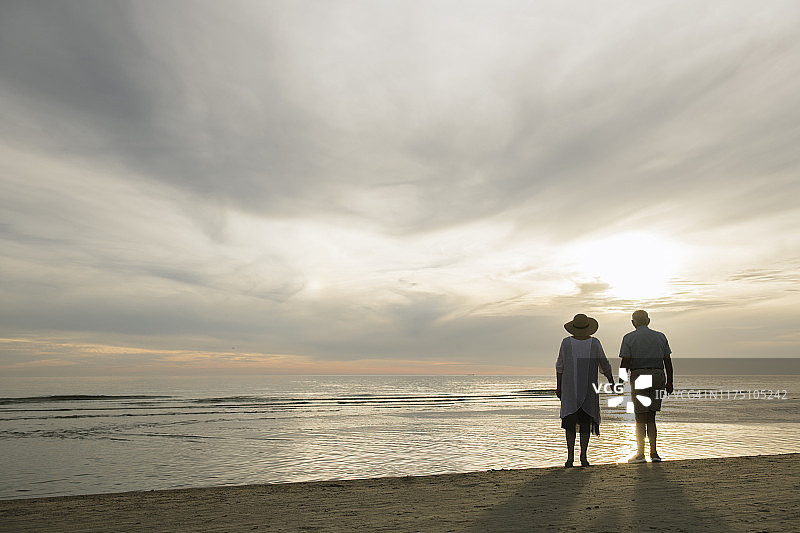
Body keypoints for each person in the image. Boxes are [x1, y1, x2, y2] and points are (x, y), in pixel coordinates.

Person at [556, 313, 614, 467]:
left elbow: (560, 366)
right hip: (589, 389)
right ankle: (583, 457)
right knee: (585, 423)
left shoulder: (566, 343)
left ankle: (570, 458)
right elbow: (604, 364)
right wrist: (611, 381)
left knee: (569, 423)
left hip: (570, 388)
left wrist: (559, 386)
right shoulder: (594, 343)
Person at [619, 310, 674, 463]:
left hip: (639, 375)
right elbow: (667, 361)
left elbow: (626, 362)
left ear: (633, 322)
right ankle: (654, 453)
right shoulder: (660, 336)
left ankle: (641, 453)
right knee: (652, 416)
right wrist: (670, 381)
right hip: (657, 374)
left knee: (640, 416)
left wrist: (621, 381)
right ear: (648, 321)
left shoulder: (629, 338)